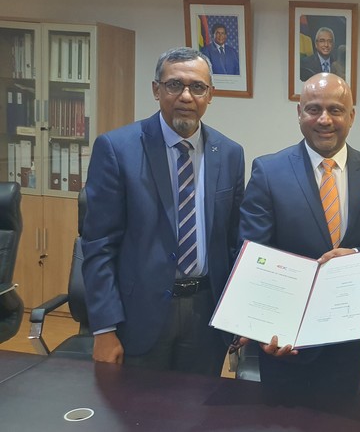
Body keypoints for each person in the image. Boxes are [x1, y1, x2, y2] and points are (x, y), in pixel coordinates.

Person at [238, 72, 360, 401]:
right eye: (314, 109)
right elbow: (252, 255)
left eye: (335, 110)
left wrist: (357, 258)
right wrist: (262, 326)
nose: (324, 120)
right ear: (299, 113)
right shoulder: (268, 171)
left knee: (342, 418)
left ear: (351, 116)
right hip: (283, 340)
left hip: (346, 342)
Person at [82, 47, 245, 376]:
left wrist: (240, 315)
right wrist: (104, 328)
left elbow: (234, 243)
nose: (186, 96)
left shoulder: (230, 153)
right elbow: (99, 246)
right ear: (156, 90)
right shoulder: (117, 149)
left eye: (197, 87)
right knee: (138, 406)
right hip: (138, 315)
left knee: (199, 406)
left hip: (205, 315)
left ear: (210, 95)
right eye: (174, 85)